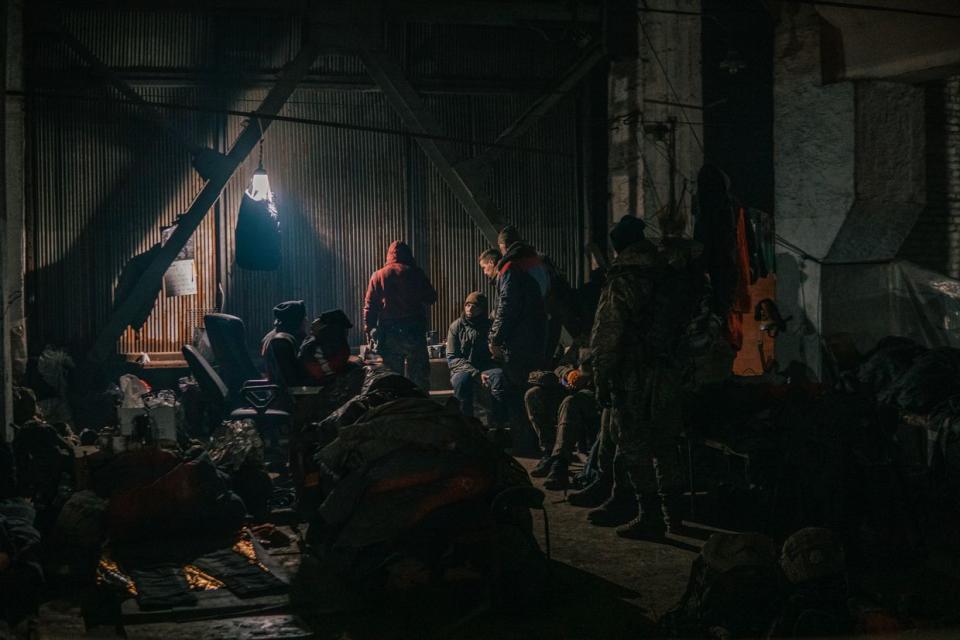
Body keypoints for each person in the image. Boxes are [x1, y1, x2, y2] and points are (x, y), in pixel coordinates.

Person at [587, 214, 706, 539]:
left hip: (633, 374)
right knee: (666, 445)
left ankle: (650, 517)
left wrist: (601, 377)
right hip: (668, 370)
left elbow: (608, 332)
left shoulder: (624, 276)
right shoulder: (669, 273)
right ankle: (675, 518)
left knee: (635, 445)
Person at [363, 241, 437, 390]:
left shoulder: (378, 275)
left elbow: (369, 307)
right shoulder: (416, 273)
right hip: (414, 331)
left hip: (390, 333)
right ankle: (419, 409)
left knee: (391, 379)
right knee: (418, 378)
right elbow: (431, 297)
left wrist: (369, 329)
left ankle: (394, 409)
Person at [489, 226, 548, 385]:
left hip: (518, 339)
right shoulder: (537, 261)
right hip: (540, 335)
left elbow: (507, 306)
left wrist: (495, 339)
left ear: (503, 246)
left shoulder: (510, 267)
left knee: (516, 388)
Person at [445, 292, 507, 424]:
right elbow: (453, 358)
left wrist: (496, 353)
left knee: (499, 377)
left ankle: (498, 425)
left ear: (482, 309)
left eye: (475, 306)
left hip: (487, 367)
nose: (470, 309)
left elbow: (499, 353)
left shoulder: (491, 326)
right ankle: (465, 423)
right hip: (462, 368)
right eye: (467, 305)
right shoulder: (456, 326)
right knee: (462, 381)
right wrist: (475, 373)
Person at [298, 309, 353, 385]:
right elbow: (321, 371)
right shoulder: (320, 345)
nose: (346, 333)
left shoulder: (318, 341)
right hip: (320, 383)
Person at [260, 300, 308, 386]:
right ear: (296, 320)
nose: (306, 321)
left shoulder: (270, 336)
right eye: (304, 318)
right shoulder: (285, 340)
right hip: (294, 393)